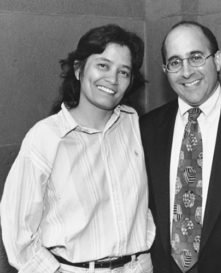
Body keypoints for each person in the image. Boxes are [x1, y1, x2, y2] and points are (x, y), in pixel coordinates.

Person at [1, 24, 155, 273]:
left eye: (124, 72)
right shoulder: (46, 137)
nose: (113, 80)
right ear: (78, 69)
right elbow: (17, 229)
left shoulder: (133, 124)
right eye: (103, 65)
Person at [140, 21, 221, 273]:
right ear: (165, 70)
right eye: (175, 62)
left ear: (217, 60)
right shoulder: (147, 129)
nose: (186, 71)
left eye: (196, 57)